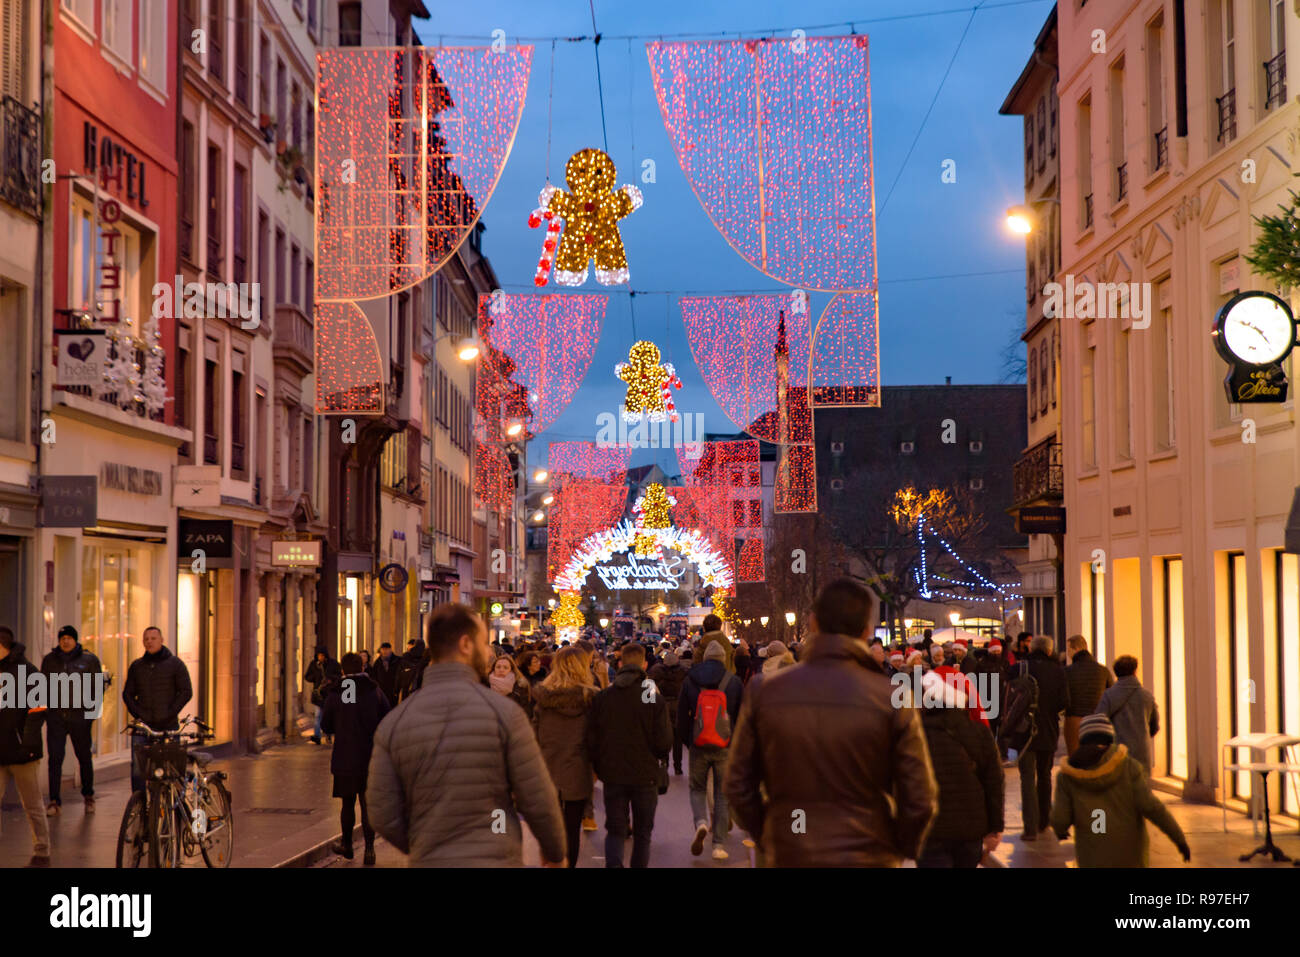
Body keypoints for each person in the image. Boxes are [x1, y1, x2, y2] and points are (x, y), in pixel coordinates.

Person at [725, 579, 938, 867]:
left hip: (793, 850)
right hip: (869, 853)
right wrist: (898, 846)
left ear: (813, 623)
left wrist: (770, 833)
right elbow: (920, 796)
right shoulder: (892, 698)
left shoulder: (767, 691)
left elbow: (738, 784)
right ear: (865, 631)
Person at [367, 604, 566, 866]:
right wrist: (554, 852)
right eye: (484, 643)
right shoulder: (504, 714)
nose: (488, 652)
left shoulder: (396, 722)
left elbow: (382, 811)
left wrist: (424, 842)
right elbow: (537, 796)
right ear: (465, 644)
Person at [1050, 714, 1190, 867]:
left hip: (1092, 857)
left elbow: (1060, 820)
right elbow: (1153, 807)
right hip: (1129, 856)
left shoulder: (1069, 776)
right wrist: (1179, 839)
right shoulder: (1129, 767)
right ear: (1110, 739)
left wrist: (1056, 827)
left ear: (1082, 740)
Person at [585, 641, 672, 867]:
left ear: (621, 663)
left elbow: (593, 737)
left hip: (613, 773)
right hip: (645, 774)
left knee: (615, 829)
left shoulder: (606, 696)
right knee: (643, 833)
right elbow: (663, 740)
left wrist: (600, 764)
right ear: (644, 664)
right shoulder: (649, 695)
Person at [916, 670, 1003, 868]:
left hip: (930, 831)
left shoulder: (915, 734)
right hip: (970, 830)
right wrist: (995, 828)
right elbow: (994, 782)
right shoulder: (980, 733)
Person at [320, 652, 390, 865]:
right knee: (368, 805)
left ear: (343, 670)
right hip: (369, 757)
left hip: (345, 756)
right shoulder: (374, 691)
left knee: (347, 803)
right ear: (363, 667)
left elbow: (326, 725)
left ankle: (348, 845)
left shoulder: (337, 691)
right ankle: (369, 850)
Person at [532, 646, 599, 868]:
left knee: (551, 829)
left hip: (547, 768)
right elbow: (596, 737)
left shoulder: (543, 697)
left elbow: (534, 735)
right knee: (572, 829)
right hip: (577, 770)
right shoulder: (590, 698)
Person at [679, 640, 743, 861]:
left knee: (697, 787)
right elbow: (741, 715)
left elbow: (682, 716)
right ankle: (719, 845)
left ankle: (701, 822)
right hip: (724, 745)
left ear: (704, 659)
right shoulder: (733, 682)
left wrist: (689, 741)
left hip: (699, 743)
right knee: (722, 794)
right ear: (724, 659)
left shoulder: (690, 681)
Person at [0, 626, 51, 866]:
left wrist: (28, 742)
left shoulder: (28, 671)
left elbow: (38, 708)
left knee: (32, 804)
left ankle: (42, 850)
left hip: (23, 751)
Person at [122, 626, 193, 792]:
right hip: (144, 728)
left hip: (168, 727)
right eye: (146, 639)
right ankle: (140, 806)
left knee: (172, 770)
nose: (149, 642)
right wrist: (139, 714)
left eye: (153, 638)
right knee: (138, 769)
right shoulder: (137, 666)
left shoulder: (175, 664)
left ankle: (174, 805)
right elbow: (128, 694)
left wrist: (170, 711)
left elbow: (186, 691)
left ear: (161, 640)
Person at [41, 624, 102, 815]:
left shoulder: (89, 660)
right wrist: (46, 713)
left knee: (84, 757)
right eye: (62, 638)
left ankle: (89, 795)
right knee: (55, 759)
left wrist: (90, 716)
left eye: (69, 638)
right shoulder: (50, 660)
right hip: (56, 717)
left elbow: (97, 688)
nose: (65, 641)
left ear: (75, 640)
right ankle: (54, 801)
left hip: (80, 717)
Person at [1014, 635, 1069, 841]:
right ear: (1049, 650)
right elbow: (1065, 702)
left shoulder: (1020, 668)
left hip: (1024, 729)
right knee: (1045, 775)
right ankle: (1043, 821)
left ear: (1031, 649)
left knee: (1026, 778)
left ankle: (1029, 828)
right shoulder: (1058, 672)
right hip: (1048, 728)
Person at [1095, 655, 1159, 775]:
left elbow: (1099, 723)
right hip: (1141, 755)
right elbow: (1154, 727)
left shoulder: (1108, 696)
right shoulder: (1147, 696)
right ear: (1135, 671)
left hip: (1116, 754)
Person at [1064, 635, 1113, 754]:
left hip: (1074, 719)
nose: (1067, 653)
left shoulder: (1067, 671)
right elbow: (1111, 694)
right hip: (1097, 719)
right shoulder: (1103, 670)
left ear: (1075, 649)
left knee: (1076, 758)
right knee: (1097, 756)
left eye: (1068, 649)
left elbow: (1062, 695)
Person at [647, 650, 689, 774]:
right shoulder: (684, 673)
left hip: (661, 706)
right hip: (678, 706)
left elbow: (646, 694)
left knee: (662, 735)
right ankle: (678, 766)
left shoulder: (654, 671)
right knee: (677, 738)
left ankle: (664, 762)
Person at [304, 646, 342, 745]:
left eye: (322, 655)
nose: (320, 657)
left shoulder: (333, 664)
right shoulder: (314, 664)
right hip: (318, 694)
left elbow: (339, 675)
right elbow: (307, 676)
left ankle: (328, 734)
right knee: (318, 715)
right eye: (319, 656)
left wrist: (330, 679)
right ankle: (317, 736)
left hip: (329, 694)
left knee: (328, 715)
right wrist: (316, 678)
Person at [394, 638, 427, 702]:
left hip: (407, 689)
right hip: (421, 690)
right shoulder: (425, 658)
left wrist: (396, 690)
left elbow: (399, 675)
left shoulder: (406, 657)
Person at [372, 641, 401, 707]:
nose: (385, 651)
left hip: (394, 692)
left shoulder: (397, 661)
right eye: (383, 649)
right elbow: (374, 677)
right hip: (382, 692)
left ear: (390, 650)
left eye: (387, 649)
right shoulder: (377, 662)